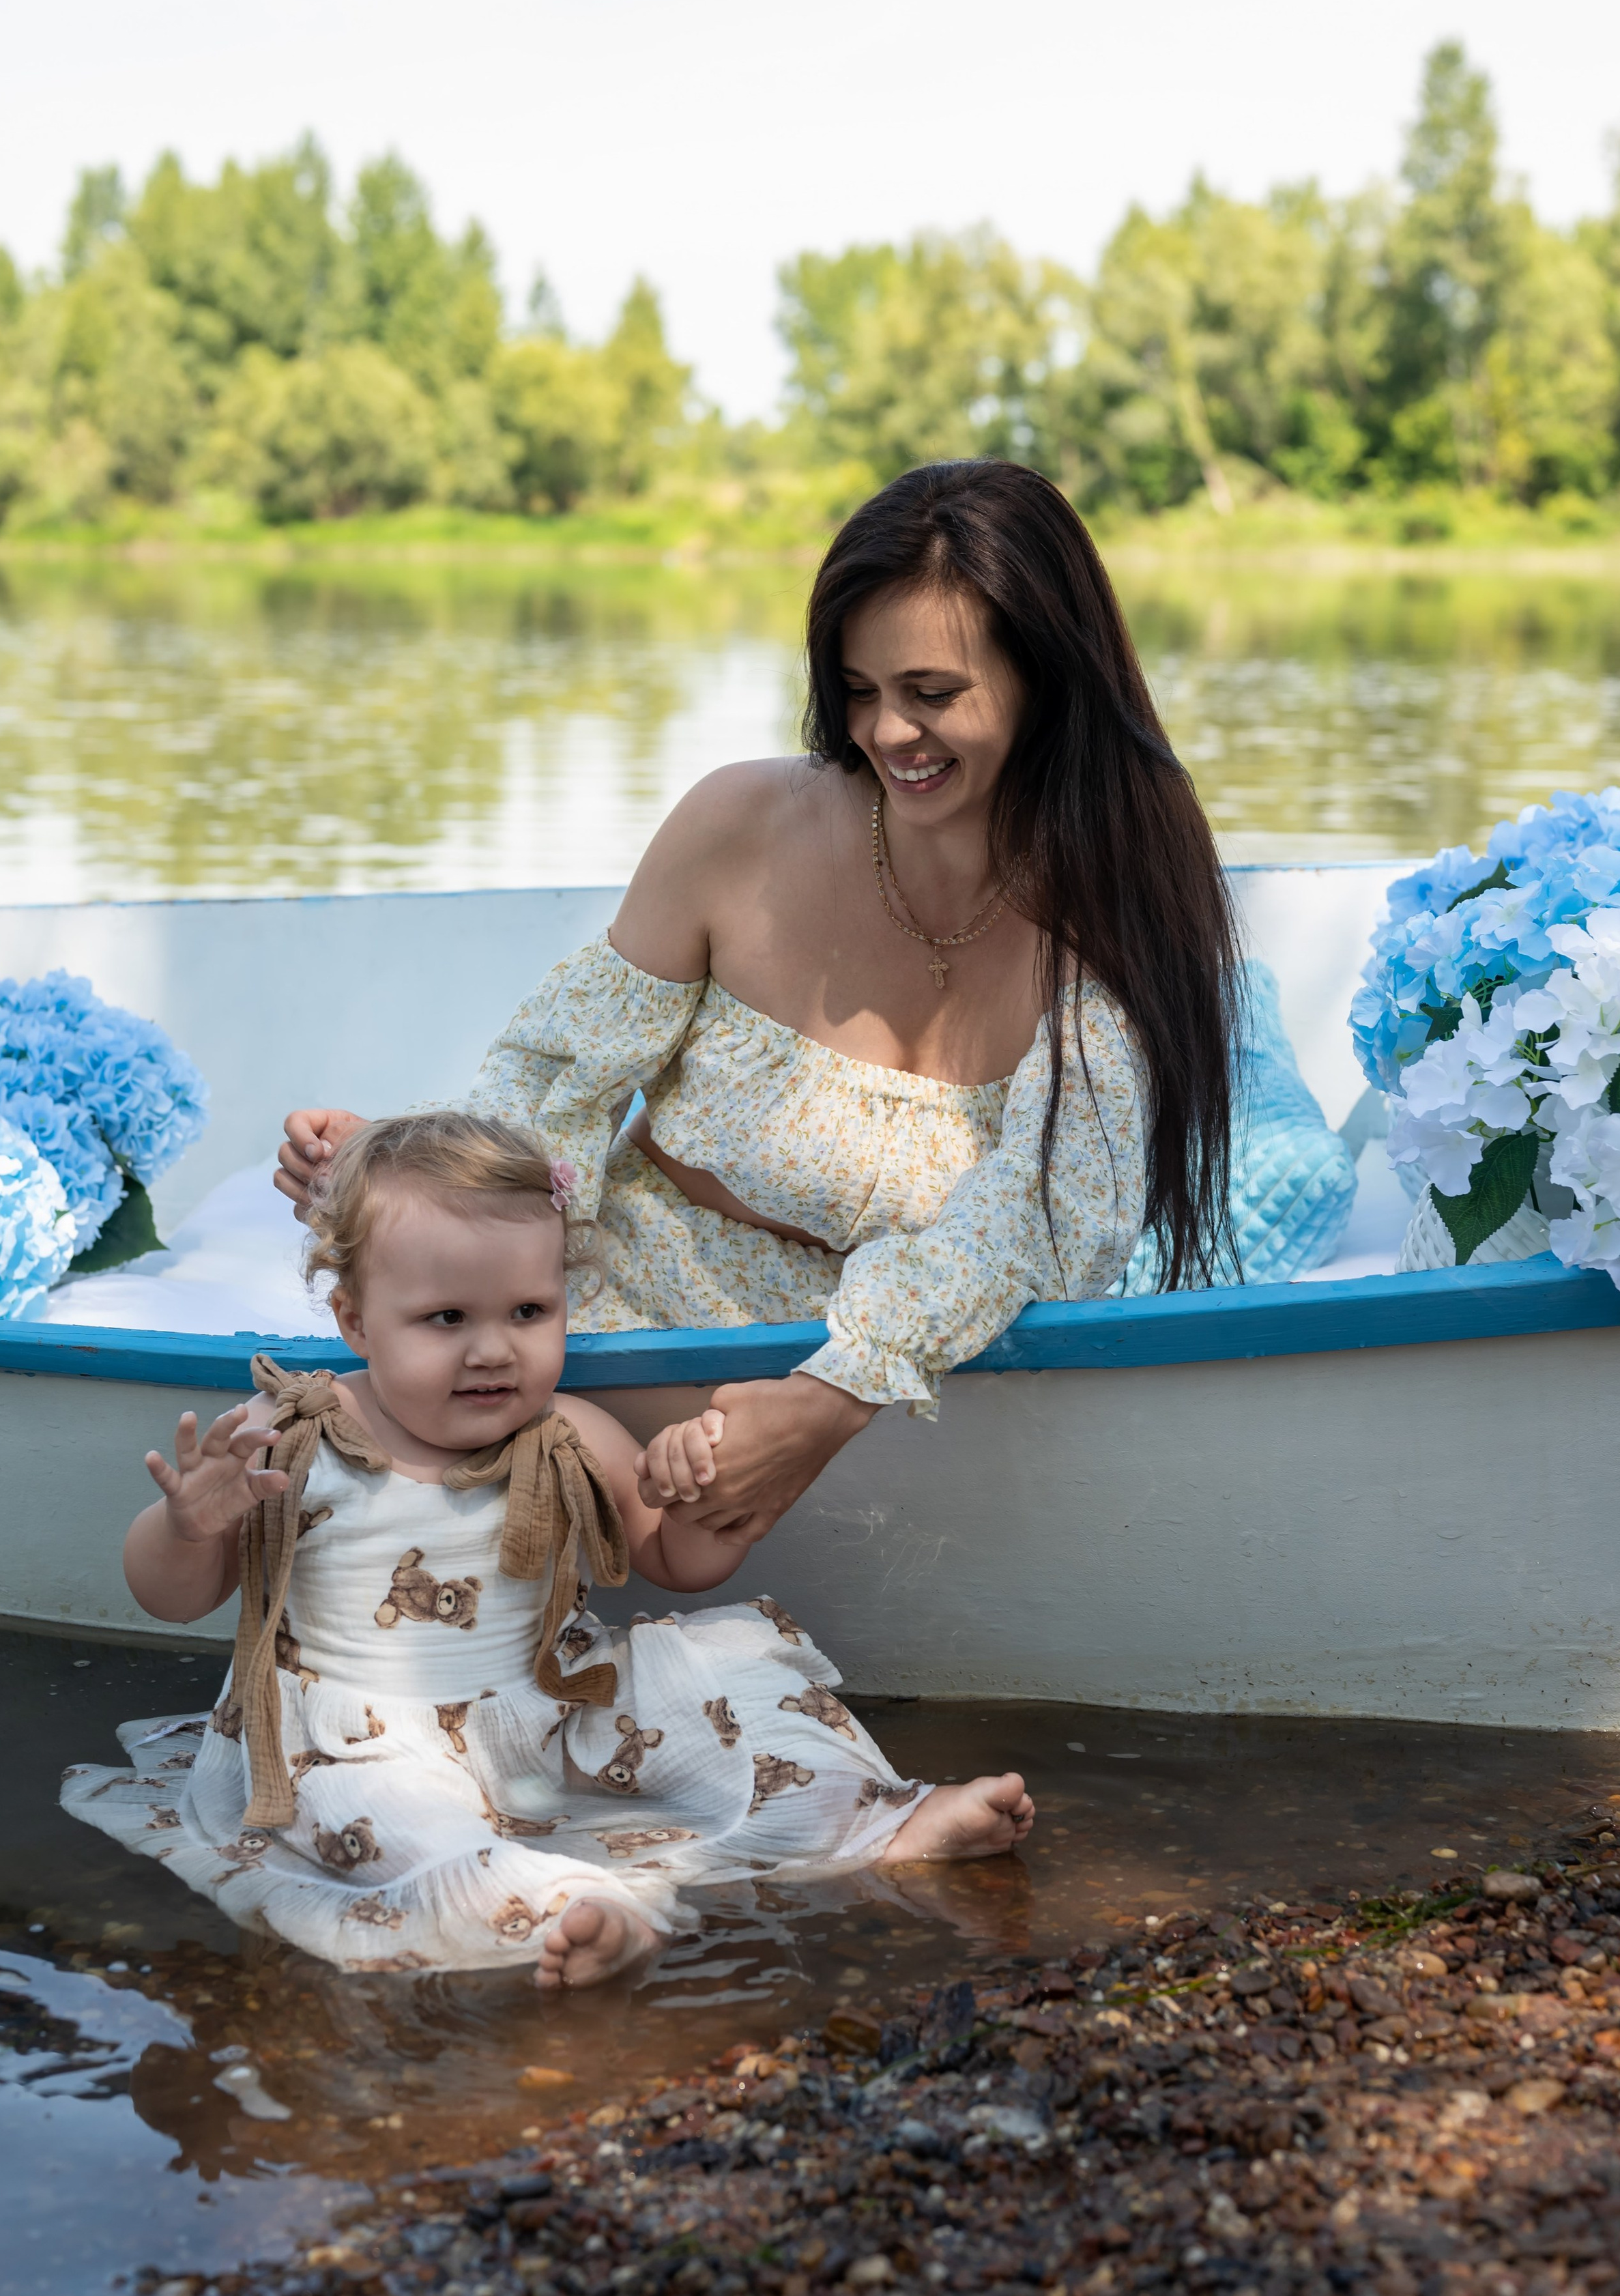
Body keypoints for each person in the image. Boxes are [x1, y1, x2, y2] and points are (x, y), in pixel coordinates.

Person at [276, 459, 1237, 1546]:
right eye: (860, 690)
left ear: (1045, 678)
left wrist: (831, 1398)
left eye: (933, 693)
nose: (887, 734)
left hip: (923, 1349)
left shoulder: (1117, 902)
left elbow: (1043, 1224)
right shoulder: (743, 822)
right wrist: (421, 1181)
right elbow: (561, 1086)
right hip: (639, 1309)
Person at [63, 1114, 1033, 1985]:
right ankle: (569, 1908)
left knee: (738, 1686)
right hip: (362, 1735)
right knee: (402, 1827)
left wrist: (694, 1490)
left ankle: (885, 1820)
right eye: (447, 1319)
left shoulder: (565, 1430)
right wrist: (193, 1523)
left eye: (528, 1313)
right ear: (355, 1320)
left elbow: (680, 1564)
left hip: (545, 1707)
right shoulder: (296, 1430)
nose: (494, 1350)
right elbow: (171, 1597)